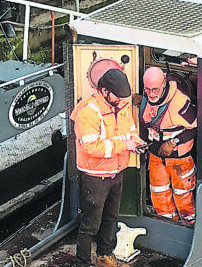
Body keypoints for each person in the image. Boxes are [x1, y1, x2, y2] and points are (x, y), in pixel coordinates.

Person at [71, 67, 145, 267]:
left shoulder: (121, 105)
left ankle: (104, 256)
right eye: (118, 96)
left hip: (116, 172)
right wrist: (126, 145)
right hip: (95, 177)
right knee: (89, 226)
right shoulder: (88, 112)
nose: (122, 101)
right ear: (104, 91)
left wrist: (135, 141)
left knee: (110, 218)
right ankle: (83, 263)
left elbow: (130, 130)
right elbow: (91, 147)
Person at [140, 67, 198, 222]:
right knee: (159, 193)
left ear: (164, 83)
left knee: (183, 195)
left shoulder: (179, 101)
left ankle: (188, 224)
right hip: (155, 156)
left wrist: (173, 142)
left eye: (155, 89)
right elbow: (144, 124)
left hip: (179, 158)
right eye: (147, 89)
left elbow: (195, 127)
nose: (151, 94)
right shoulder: (145, 99)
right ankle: (166, 224)